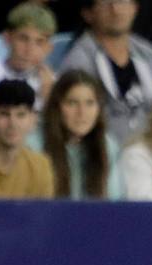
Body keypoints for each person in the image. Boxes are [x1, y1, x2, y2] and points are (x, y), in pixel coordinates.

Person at [59, 0, 152, 144]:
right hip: (105, 154)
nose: (116, 9)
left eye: (122, 1)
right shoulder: (76, 65)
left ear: (135, 7)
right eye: (105, 3)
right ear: (88, 14)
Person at [31, 69, 122, 199]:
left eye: (90, 103)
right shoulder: (33, 145)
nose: (82, 112)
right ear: (57, 107)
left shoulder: (108, 146)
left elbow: (115, 203)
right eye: (72, 103)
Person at [0, 1, 54, 109]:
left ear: (48, 48)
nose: (29, 49)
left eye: (39, 42)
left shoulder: (52, 83)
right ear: (7, 38)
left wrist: (49, 100)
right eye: (23, 39)